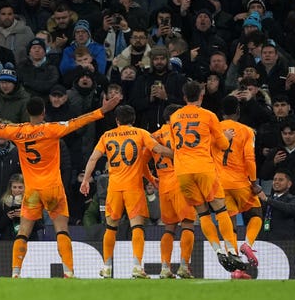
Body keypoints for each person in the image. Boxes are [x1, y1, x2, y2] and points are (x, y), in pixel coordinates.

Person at [0, 93, 121, 279]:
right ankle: (68, 272)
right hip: (53, 189)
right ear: (44, 112)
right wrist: (102, 110)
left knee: (23, 231)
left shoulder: (18, 131)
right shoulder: (52, 129)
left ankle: (15, 272)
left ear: (27, 112)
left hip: (31, 190)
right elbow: (78, 121)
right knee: (62, 229)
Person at [80, 105, 173, 279]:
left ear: (117, 120)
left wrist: (85, 180)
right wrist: (179, 155)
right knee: (137, 226)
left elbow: (93, 158)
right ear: (134, 119)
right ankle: (137, 266)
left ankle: (106, 267)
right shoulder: (140, 133)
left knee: (110, 227)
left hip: (114, 187)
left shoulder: (107, 136)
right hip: (133, 188)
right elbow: (158, 150)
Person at [169, 80, 245, 273]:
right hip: (203, 168)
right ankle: (231, 250)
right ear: (201, 95)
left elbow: (174, 146)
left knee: (202, 213)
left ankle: (217, 249)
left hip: (182, 172)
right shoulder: (208, 115)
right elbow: (223, 145)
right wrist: (226, 136)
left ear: (184, 97)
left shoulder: (175, 116)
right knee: (220, 210)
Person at [213, 96, 263, 277]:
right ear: (238, 112)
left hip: (220, 184)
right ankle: (247, 245)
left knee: (230, 224)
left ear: (221, 112)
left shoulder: (214, 129)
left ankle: (236, 269)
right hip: (240, 182)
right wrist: (254, 182)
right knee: (256, 213)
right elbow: (250, 159)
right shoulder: (246, 131)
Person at [150, 104, 196, 279]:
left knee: (169, 229)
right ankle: (184, 266)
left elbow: (142, 161)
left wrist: (150, 178)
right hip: (180, 181)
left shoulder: (153, 136)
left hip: (163, 184)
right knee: (188, 224)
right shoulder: (179, 132)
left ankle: (164, 268)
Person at [260, 168, 295, 241]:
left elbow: (290, 209)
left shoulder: (294, 199)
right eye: (275, 180)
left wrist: (267, 200)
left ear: (289, 184)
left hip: (285, 243)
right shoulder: (267, 200)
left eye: (280, 180)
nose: (276, 182)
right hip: (265, 241)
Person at [0, 174, 41, 241]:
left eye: (20, 187)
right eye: (14, 187)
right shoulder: (3, 204)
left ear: (25, 187)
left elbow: (39, 226)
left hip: (28, 240)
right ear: (10, 188)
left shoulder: (33, 203)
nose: (17, 190)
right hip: (7, 242)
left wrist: (25, 217)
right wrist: (7, 217)